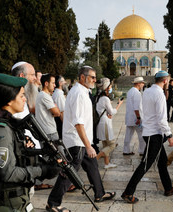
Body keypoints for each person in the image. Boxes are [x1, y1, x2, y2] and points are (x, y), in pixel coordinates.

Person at [0, 73, 60, 211]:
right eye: (21, 95)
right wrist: (41, 171)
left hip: (17, 201)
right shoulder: (0, 131)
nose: (24, 99)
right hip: (6, 204)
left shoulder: (9, 124)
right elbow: (8, 173)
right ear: (9, 101)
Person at [47, 66, 116, 212]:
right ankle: (53, 203)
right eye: (92, 77)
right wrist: (88, 146)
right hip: (77, 141)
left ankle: (100, 194)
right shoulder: (78, 93)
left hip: (82, 140)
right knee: (70, 171)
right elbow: (78, 123)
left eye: (95, 77)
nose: (94, 80)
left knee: (92, 166)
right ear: (83, 77)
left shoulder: (82, 92)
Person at [121, 70, 173, 204]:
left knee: (162, 162)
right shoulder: (159, 94)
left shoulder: (147, 91)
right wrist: (169, 135)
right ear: (165, 81)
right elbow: (161, 118)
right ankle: (128, 192)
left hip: (150, 132)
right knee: (145, 165)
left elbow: (142, 110)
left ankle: (168, 188)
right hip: (154, 134)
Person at [96, 78, 123, 168]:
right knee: (112, 145)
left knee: (105, 144)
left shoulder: (99, 97)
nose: (111, 88)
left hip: (102, 122)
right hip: (105, 123)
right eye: (110, 86)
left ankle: (107, 163)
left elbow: (105, 111)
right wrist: (119, 104)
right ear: (106, 88)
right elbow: (111, 112)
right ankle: (96, 158)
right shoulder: (105, 99)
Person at [123, 77, 146, 156]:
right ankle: (142, 151)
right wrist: (139, 118)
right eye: (142, 83)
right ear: (139, 83)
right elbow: (136, 107)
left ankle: (126, 150)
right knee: (141, 135)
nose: (143, 85)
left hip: (129, 117)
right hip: (136, 118)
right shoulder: (137, 93)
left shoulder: (130, 91)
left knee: (128, 135)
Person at [35, 74, 60, 141]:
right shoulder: (44, 96)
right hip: (50, 132)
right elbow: (57, 113)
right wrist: (55, 108)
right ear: (46, 83)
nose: (55, 85)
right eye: (53, 83)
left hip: (47, 131)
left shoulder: (44, 95)